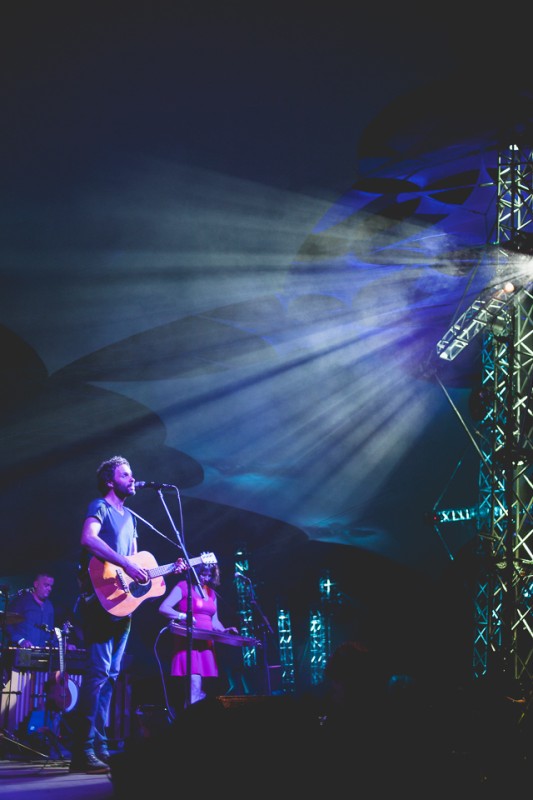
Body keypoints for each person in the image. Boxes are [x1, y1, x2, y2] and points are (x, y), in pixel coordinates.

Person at [68, 455, 150, 775]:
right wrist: (127, 564)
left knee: (111, 676)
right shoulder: (98, 506)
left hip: (121, 604)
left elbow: (132, 564)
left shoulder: (131, 517)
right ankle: (82, 750)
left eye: (132, 474)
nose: (133, 478)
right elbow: (88, 539)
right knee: (98, 673)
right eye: (126, 474)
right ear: (110, 481)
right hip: (99, 603)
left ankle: (99, 747)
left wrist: (148, 572)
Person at [158, 560, 238, 707]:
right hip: (189, 643)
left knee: (200, 689)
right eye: (202, 574)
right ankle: (191, 723)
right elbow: (164, 608)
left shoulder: (211, 594)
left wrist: (225, 631)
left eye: (209, 575)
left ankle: (193, 717)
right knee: (194, 685)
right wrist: (183, 616)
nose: (205, 578)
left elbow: (215, 622)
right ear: (195, 572)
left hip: (206, 645)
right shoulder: (183, 587)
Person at [6, 572, 57, 648]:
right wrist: (21, 640)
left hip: (41, 653)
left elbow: (50, 633)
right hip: (20, 651)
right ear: (36, 584)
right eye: (46, 585)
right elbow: (7, 623)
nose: (49, 589)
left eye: (51, 586)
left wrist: (63, 644)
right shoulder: (21, 601)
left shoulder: (49, 606)